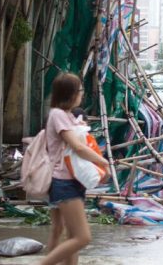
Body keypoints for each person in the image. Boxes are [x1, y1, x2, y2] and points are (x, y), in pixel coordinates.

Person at [42, 73, 110, 265]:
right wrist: (104, 163)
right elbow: (78, 148)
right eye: (80, 90)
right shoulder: (58, 115)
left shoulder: (67, 116)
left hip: (71, 181)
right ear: (71, 94)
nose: (82, 94)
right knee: (82, 237)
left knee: (71, 235)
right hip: (64, 182)